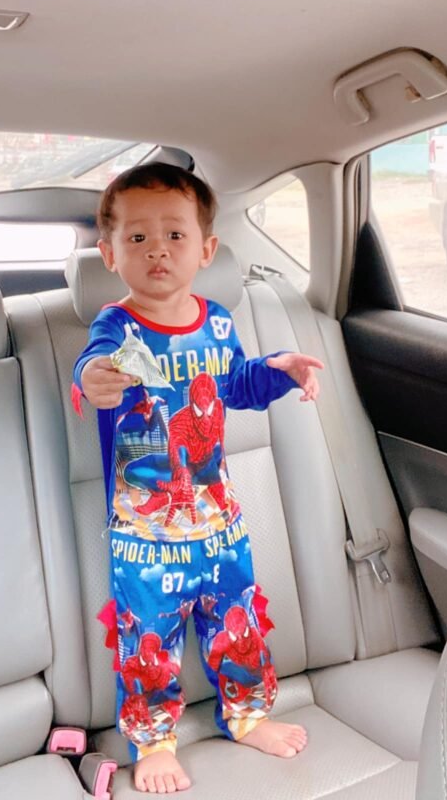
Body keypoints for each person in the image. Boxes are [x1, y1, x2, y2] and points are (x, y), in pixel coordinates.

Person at [73, 162, 322, 794]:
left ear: (206, 249)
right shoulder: (116, 326)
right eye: (137, 238)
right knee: (147, 637)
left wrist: (278, 369)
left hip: (220, 524)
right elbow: (92, 368)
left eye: (175, 235)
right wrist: (93, 379)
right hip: (144, 533)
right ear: (108, 253)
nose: (157, 248)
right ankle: (154, 741)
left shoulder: (216, 321)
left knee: (236, 619)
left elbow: (236, 382)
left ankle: (248, 714)